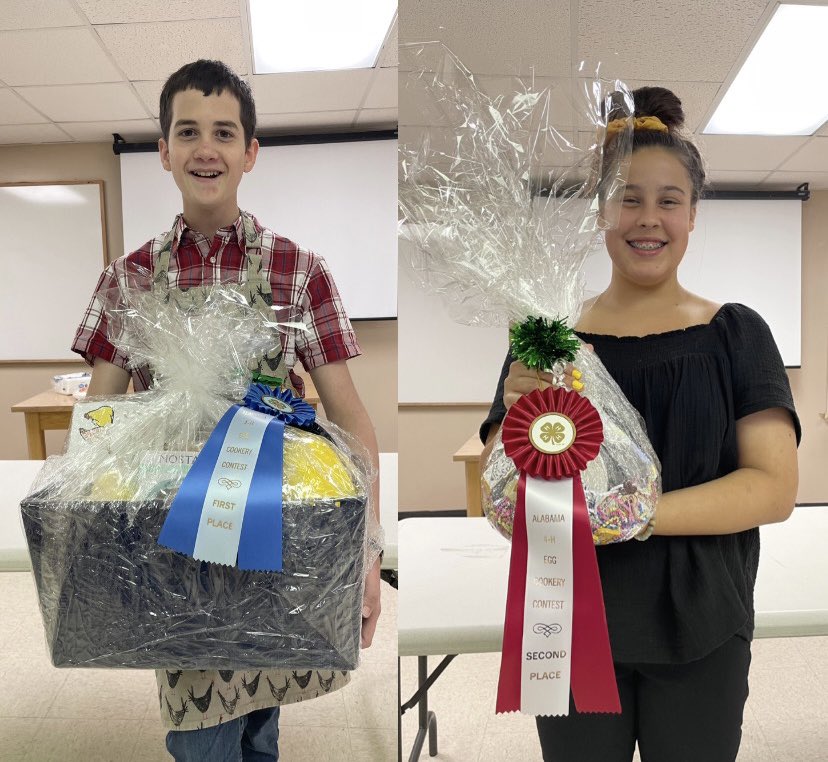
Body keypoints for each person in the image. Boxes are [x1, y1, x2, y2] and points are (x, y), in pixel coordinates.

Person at [71, 59, 381, 762]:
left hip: (278, 532)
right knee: (201, 736)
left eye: (223, 132)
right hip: (171, 541)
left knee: (260, 719)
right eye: (187, 132)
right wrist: (87, 538)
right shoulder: (128, 279)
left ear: (250, 152)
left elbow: (349, 421)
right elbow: (99, 420)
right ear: (164, 152)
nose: (205, 148)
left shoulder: (299, 272)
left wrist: (367, 550)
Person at [480, 87, 800, 762]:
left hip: (702, 623)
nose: (648, 218)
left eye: (669, 200)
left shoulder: (736, 334)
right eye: (628, 198)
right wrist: (516, 419)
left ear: (693, 214)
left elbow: (772, 488)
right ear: (600, 209)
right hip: (566, 623)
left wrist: (627, 515)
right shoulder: (549, 341)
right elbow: (496, 494)